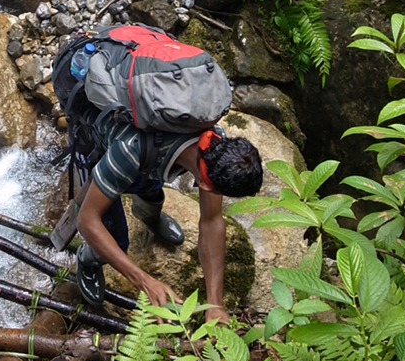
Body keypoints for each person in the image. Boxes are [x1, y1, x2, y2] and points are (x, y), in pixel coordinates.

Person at [74, 106, 263, 324]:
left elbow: (211, 220)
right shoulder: (129, 151)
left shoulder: (214, 140)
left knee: (151, 179)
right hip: (97, 140)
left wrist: (215, 304)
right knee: (117, 240)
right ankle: (87, 260)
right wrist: (145, 281)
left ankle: (149, 216)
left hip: (149, 154)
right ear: (204, 185)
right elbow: (87, 220)